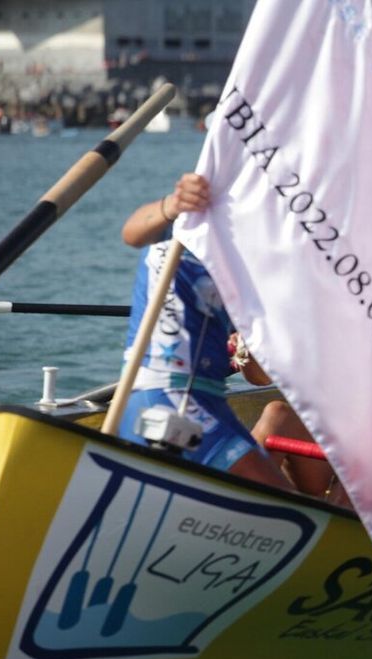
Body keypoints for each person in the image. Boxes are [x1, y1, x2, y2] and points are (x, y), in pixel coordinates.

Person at [118, 173, 291, 490]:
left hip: (213, 402)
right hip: (163, 392)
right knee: (281, 498)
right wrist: (171, 205)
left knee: (283, 496)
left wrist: (249, 350)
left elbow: (258, 378)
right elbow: (131, 233)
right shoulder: (186, 223)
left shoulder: (258, 265)